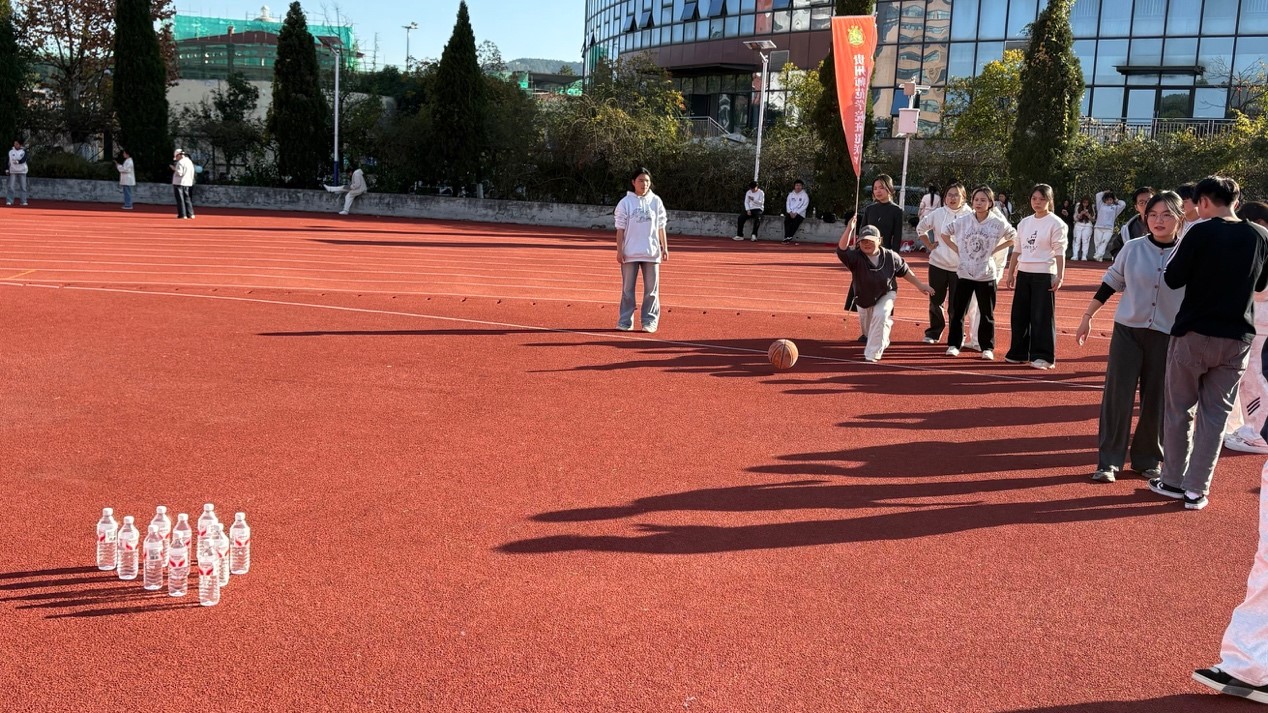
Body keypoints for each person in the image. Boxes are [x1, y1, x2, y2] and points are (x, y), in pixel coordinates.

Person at [1149, 176, 1268, 511]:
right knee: (1216, 416)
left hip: (1194, 332)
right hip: (1237, 337)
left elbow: (1172, 277)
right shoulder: (1260, 235)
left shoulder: (1199, 231)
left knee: (1179, 409)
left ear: (1202, 201)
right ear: (1236, 201)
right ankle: (1196, 490)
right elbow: (1261, 284)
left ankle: (1172, 480)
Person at [1075, 191, 1186, 483]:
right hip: (1128, 332)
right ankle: (1109, 462)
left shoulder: (1188, 252)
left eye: (1166, 215)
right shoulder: (1133, 248)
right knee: (1118, 396)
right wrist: (1087, 316)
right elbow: (1111, 282)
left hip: (1166, 335)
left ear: (1179, 218)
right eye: (1153, 215)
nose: (1159, 221)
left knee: (1157, 398)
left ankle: (1148, 459)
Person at [836, 218, 934, 363]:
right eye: (863, 241)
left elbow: (905, 271)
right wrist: (850, 228)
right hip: (864, 297)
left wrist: (920, 285)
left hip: (886, 292)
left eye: (870, 240)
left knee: (881, 315)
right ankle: (883, 336)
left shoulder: (890, 256)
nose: (867, 244)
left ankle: (872, 354)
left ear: (879, 240)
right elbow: (842, 250)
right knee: (870, 331)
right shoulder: (855, 257)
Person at [942, 185, 1017, 361]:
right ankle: (954, 344)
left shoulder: (997, 222)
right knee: (958, 311)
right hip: (964, 273)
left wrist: (996, 249)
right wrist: (957, 249)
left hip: (986, 274)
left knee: (986, 313)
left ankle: (987, 347)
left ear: (990, 203)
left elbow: (1014, 237)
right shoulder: (964, 220)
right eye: (976, 199)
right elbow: (945, 233)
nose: (979, 203)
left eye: (983, 200)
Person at [1004, 184, 1069, 370]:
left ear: (1049, 201)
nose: (1037, 202)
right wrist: (1011, 272)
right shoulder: (1024, 223)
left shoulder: (1057, 224)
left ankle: (1044, 356)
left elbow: (1060, 252)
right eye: (1034, 199)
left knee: (1041, 317)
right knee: (1020, 315)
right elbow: (1017, 249)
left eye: (1042, 199)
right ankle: (1019, 352)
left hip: (1044, 274)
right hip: (1024, 273)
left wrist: (1060, 276)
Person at [1225, 201, 1268, 455]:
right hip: (1256, 319)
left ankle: (1258, 433)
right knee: (1253, 377)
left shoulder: (1261, 244)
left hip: (1260, 322)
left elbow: (1257, 286)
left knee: (1256, 378)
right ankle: (1252, 427)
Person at [614, 167, 669, 333]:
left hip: (651, 253)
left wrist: (664, 247)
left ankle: (649, 321)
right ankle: (625, 321)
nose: (644, 184)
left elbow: (661, 226)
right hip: (630, 253)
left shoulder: (656, 201)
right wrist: (619, 250)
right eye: (640, 180)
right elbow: (620, 229)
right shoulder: (625, 203)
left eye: (647, 181)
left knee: (651, 291)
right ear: (633, 182)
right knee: (627, 290)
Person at [916, 182, 971, 345]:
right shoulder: (938, 214)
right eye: (949, 195)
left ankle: (957, 334)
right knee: (935, 301)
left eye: (956, 195)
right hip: (938, 264)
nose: (952, 198)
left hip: (960, 267)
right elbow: (920, 229)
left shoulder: (971, 215)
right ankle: (934, 332)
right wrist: (929, 245)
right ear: (945, 197)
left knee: (957, 305)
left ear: (963, 197)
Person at [1105, 187, 1155, 259]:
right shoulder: (1128, 229)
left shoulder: (1167, 225)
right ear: (1136, 207)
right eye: (1141, 203)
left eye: (1150, 201)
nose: (1147, 205)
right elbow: (1116, 250)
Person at [862, 174, 905, 253]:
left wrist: (894, 256)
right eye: (875, 188)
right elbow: (863, 232)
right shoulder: (869, 209)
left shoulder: (897, 211)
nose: (878, 191)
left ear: (889, 188)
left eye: (881, 187)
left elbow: (897, 238)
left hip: (885, 253)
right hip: (868, 253)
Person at [1092, 190, 1127, 261]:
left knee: (1104, 241)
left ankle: (1098, 254)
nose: (1109, 201)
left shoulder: (1115, 208)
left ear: (1113, 200)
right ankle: (1099, 256)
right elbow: (1098, 195)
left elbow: (1123, 204)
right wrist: (1105, 192)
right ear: (1105, 200)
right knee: (1098, 242)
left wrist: (1116, 200)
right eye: (1107, 200)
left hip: (1109, 228)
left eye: (1110, 200)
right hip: (1098, 227)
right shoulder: (1100, 205)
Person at [171, 148, 195, 219]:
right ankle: (190, 214)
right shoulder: (189, 162)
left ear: (178, 155)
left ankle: (182, 214)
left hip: (179, 183)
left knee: (180, 199)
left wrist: (174, 169)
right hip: (188, 182)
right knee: (187, 198)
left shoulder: (180, 162)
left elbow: (180, 173)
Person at [783, 180, 810, 244]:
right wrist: (790, 212)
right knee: (787, 221)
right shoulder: (790, 194)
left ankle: (789, 236)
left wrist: (796, 213)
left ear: (802, 186)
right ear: (794, 186)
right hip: (791, 212)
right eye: (797, 185)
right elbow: (787, 203)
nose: (798, 187)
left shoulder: (805, 195)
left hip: (800, 214)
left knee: (795, 223)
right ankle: (786, 236)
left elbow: (804, 206)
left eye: (800, 185)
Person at [6, 138, 29, 207]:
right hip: (13, 171)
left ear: (20, 145)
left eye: (17, 144)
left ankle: (23, 201)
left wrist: (18, 161)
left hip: (22, 171)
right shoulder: (10, 152)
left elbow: (24, 159)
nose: (15, 145)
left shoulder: (24, 151)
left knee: (23, 187)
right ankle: (9, 201)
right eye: (14, 143)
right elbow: (7, 160)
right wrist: (6, 169)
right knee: (11, 186)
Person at [1072, 196, 1095, 260]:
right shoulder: (1078, 206)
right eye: (1084, 203)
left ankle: (1084, 256)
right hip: (1078, 224)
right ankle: (1075, 255)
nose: (1085, 204)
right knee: (1077, 240)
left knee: (1085, 240)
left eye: (1087, 203)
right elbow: (1075, 218)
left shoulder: (1092, 207)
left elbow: (1093, 219)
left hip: (1087, 225)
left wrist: (1088, 215)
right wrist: (1081, 214)